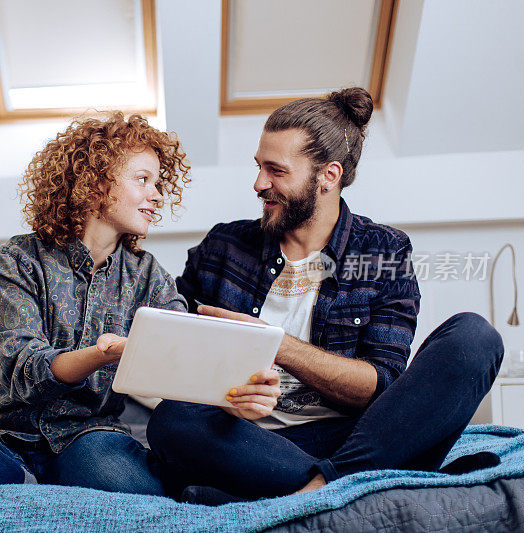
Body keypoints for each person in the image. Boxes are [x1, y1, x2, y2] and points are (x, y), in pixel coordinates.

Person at [145, 87, 504, 503]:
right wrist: (225, 400)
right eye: (259, 167)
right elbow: (170, 349)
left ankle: (317, 489)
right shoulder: (224, 246)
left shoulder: (383, 251)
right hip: (251, 442)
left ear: (328, 176)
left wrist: (275, 344)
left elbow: (378, 385)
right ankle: (375, 485)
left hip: (354, 438)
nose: (259, 183)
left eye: (276, 170)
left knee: (474, 337)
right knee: (174, 419)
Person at [0, 112, 189, 495]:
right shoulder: (17, 260)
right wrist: (102, 354)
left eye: (158, 183)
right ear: (94, 185)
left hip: (88, 433)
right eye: (143, 180)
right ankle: (35, 485)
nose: (157, 195)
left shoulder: (149, 276)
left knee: (134, 482)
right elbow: (26, 370)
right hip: (4, 434)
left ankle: (28, 490)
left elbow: (180, 345)